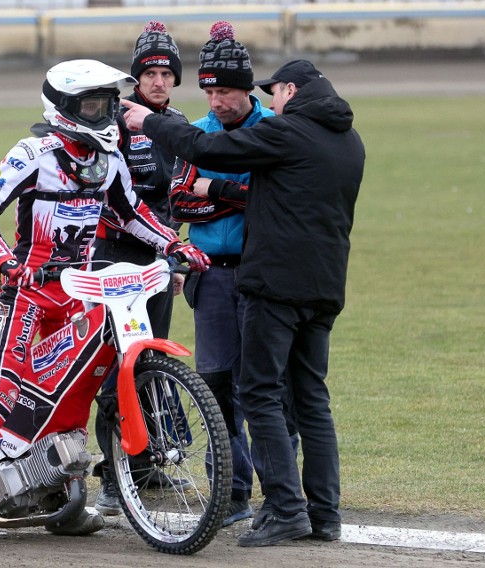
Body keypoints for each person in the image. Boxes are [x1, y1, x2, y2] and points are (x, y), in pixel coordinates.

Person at [0, 58, 210, 547]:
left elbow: (131, 214)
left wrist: (172, 245)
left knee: (72, 398)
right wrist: (7, 263)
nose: (105, 113)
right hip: (26, 296)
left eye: (109, 103)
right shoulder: (34, 153)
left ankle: (62, 501)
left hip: (78, 296)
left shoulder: (110, 159)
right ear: (66, 107)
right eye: (94, 104)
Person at [122, 58, 365, 547]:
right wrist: (228, 191)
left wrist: (147, 120)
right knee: (312, 400)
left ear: (291, 90)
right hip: (325, 287)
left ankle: (283, 510)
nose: (272, 101)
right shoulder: (348, 140)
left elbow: (206, 146)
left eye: (274, 92)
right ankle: (324, 514)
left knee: (256, 393)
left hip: (275, 286)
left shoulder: (290, 132)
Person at [168, 20, 275, 528]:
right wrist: (231, 197)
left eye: (226, 91)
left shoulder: (272, 130)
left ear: (247, 89)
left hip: (259, 278)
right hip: (210, 279)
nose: (215, 101)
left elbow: (269, 203)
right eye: (209, 91)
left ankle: (277, 493)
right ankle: (230, 493)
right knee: (215, 388)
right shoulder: (201, 133)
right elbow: (179, 201)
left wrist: (213, 190)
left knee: (262, 388)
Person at [90, 20, 190, 516]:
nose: (157, 80)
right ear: (136, 78)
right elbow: (108, 199)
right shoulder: (116, 124)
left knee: (151, 360)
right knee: (116, 363)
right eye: (148, 72)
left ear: (175, 79)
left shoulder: (180, 124)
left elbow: (181, 196)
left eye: (165, 72)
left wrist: (174, 257)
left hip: (159, 259)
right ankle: (113, 472)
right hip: (116, 258)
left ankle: (146, 463)